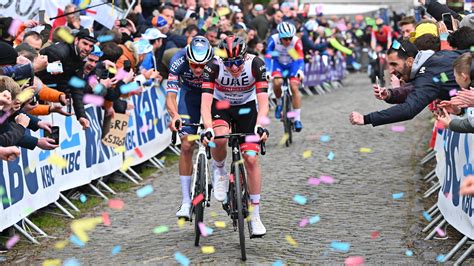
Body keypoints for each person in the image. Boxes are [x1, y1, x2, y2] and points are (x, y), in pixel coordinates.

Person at [200, 36, 269, 237]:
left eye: (238, 62)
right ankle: (220, 171)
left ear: (245, 57)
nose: (235, 68)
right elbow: (205, 103)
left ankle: (255, 215)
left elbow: (263, 102)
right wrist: (207, 127)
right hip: (221, 106)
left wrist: (259, 126)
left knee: (251, 158)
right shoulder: (213, 66)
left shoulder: (256, 64)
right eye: (229, 63)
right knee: (219, 137)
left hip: (247, 108)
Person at [349, 40, 467, 127]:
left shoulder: (428, 75)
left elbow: (409, 109)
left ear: (410, 61)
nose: (390, 70)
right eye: (389, 65)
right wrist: (390, 94)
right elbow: (417, 90)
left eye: (394, 64)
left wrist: (366, 118)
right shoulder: (437, 57)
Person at [166, 36, 214, 219]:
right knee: (186, 145)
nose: (198, 70)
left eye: (202, 66)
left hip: (211, 97)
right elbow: (170, 96)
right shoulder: (178, 60)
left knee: (219, 138)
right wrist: (175, 115)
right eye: (194, 65)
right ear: (188, 60)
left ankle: (219, 175)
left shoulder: (216, 62)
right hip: (189, 98)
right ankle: (186, 201)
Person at [265, 22, 304, 131]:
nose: (287, 41)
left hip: (292, 64)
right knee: (277, 83)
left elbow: (300, 59)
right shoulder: (273, 39)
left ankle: (297, 119)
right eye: (285, 38)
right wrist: (267, 71)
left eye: (289, 38)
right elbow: (268, 57)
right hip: (278, 65)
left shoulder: (296, 41)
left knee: (294, 86)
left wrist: (300, 71)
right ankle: (279, 104)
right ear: (280, 36)